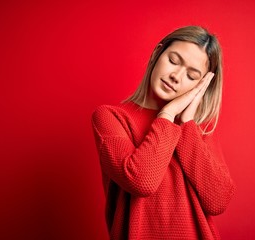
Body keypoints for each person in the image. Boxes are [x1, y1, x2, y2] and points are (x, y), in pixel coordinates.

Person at [91, 25, 235, 240]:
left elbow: (218, 200)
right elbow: (141, 181)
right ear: (157, 54)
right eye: (173, 61)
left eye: (192, 75)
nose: (176, 76)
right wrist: (167, 114)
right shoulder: (111, 117)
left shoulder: (196, 130)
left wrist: (186, 123)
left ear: (201, 85)